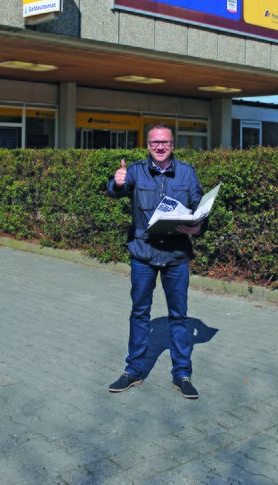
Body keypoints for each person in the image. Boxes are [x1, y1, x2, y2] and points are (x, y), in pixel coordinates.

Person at [107, 122, 207, 399]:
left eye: (165, 142)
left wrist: (198, 226)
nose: (160, 147)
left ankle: (182, 374)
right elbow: (117, 189)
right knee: (140, 313)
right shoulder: (136, 171)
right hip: (143, 254)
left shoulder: (187, 172)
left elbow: (200, 209)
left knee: (179, 316)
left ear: (172, 145)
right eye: (154, 143)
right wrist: (115, 183)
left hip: (176, 255)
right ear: (148, 146)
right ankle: (133, 371)